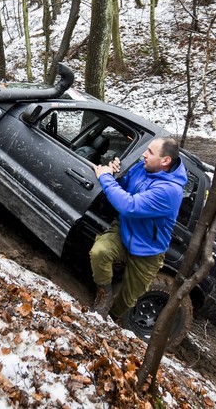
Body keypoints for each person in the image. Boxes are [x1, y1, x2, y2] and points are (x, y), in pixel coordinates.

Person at [89, 136, 188, 320]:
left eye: (150, 152)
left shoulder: (170, 190)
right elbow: (123, 189)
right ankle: (103, 295)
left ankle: (109, 319)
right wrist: (115, 172)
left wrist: (105, 177)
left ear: (165, 161)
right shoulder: (143, 167)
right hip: (125, 230)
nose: (144, 154)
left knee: (128, 298)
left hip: (148, 251)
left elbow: (129, 205)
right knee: (99, 253)